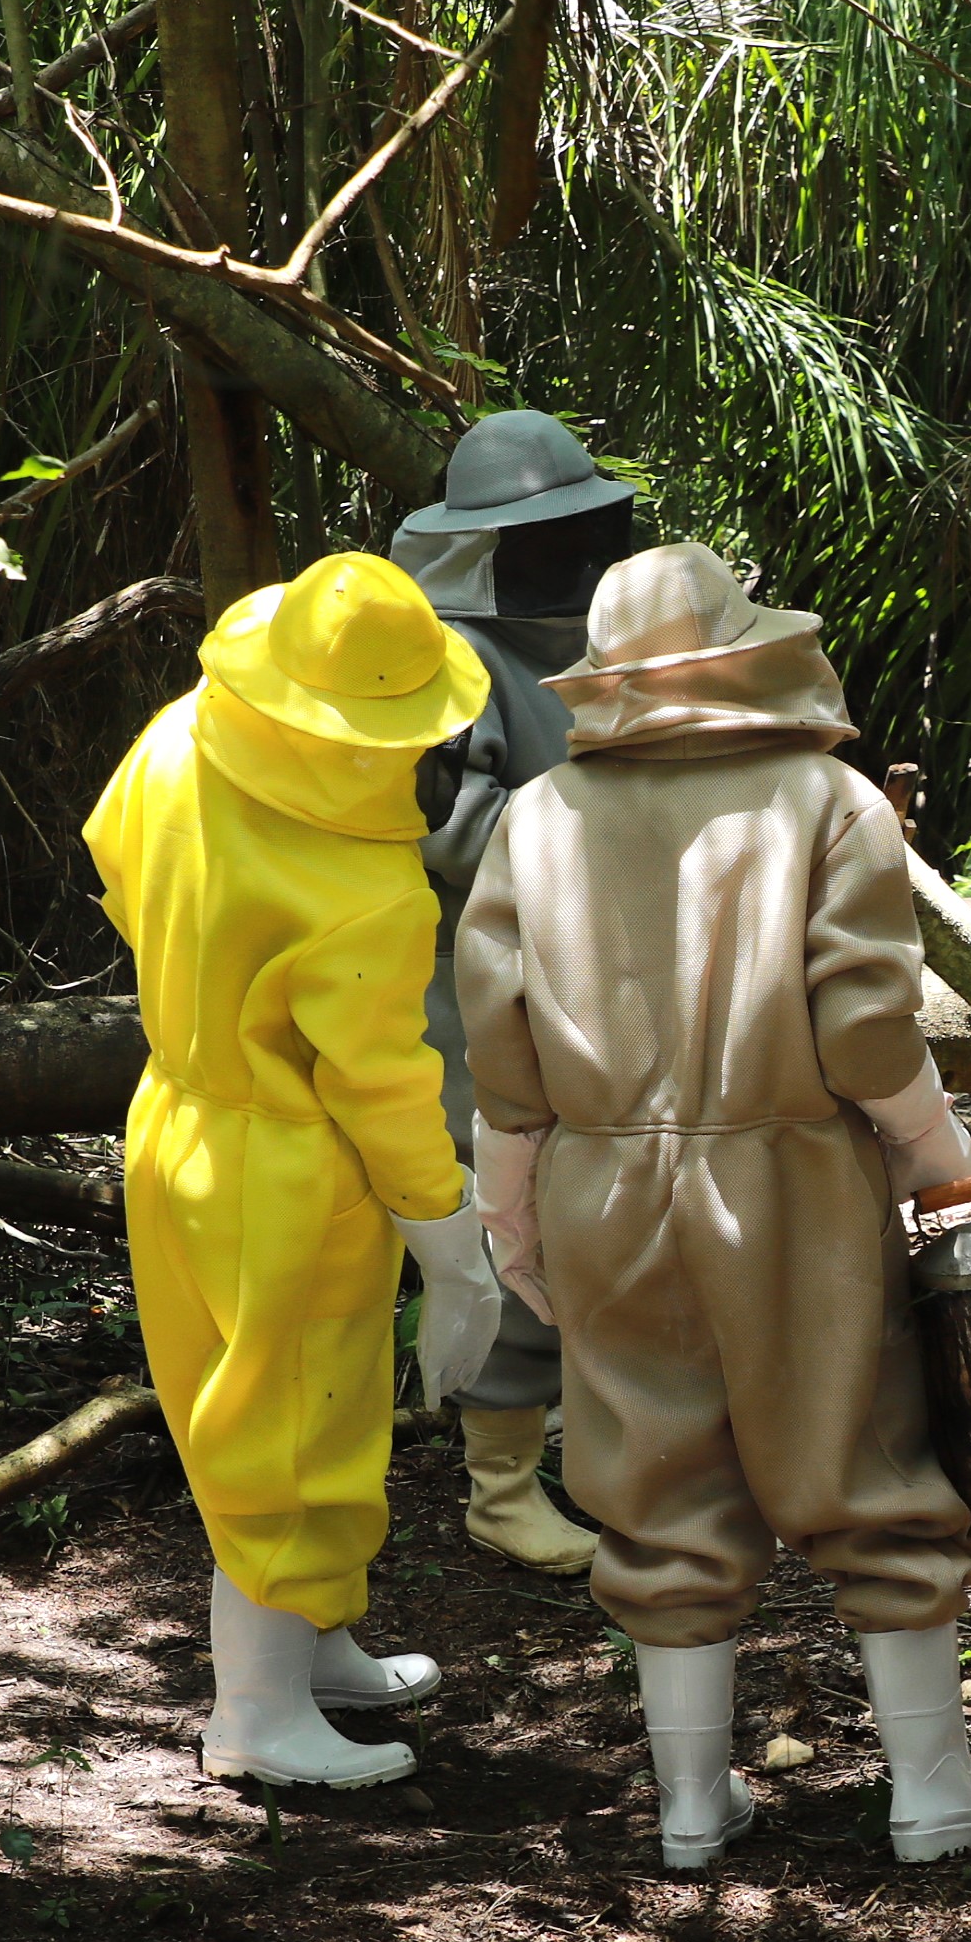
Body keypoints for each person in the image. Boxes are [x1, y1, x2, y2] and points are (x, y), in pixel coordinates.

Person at [456, 543, 971, 1870]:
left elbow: (503, 1051)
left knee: (653, 1480)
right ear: (741, 652)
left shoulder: (537, 815)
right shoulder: (827, 798)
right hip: (793, 1181)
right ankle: (931, 1790)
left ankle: (688, 1805)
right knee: (870, 1462)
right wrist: (934, 1151)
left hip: (601, 1184)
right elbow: (866, 1035)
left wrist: (510, 1211)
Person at [82, 553, 503, 1791]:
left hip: (173, 1116)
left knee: (274, 1399)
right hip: (287, 1168)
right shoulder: (366, 889)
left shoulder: (176, 738)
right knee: (287, 1435)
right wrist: (451, 1240)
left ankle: (314, 1646)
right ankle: (256, 1714)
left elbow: (113, 861)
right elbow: (383, 1085)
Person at [389, 411, 641, 1577]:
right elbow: (449, 828)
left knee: (596, 1219)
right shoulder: (442, 662)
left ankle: (595, 1455)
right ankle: (497, 1489)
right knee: (509, 1225)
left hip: (601, 983)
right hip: (476, 990)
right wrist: (614, 842)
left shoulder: (600, 643)